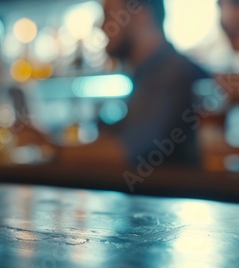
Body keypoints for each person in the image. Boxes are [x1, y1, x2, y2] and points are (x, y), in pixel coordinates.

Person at [56, 0, 209, 168]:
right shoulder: (149, 73)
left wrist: (51, 151)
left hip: (175, 194)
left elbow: (125, 152)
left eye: (108, 15)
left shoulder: (173, 73)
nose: (101, 27)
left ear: (140, 15)